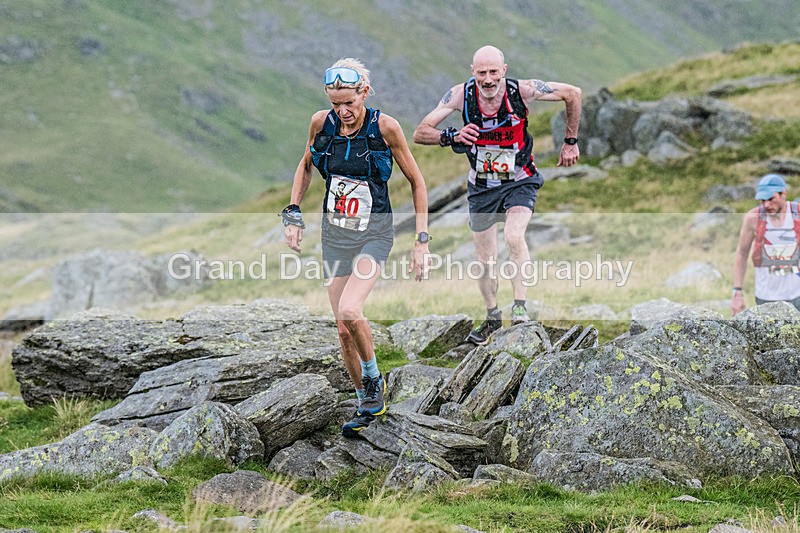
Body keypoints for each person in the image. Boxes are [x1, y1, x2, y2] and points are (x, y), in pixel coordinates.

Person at [282, 58, 430, 437]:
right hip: (335, 235)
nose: (343, 112)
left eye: (349, 102)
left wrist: (421, 242)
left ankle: (374, 381)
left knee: (351, 308)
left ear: (364, 92)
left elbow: (417, 182)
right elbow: (305, 166)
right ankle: (365, 403)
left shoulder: (386, 127)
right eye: (336, 104)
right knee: (343, 331)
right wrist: (293, 212)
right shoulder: (321, 124)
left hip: (375, 233)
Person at [413, 45, 582, 345]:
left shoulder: (522, 91)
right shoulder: (459, 96)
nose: (488, 79)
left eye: (493, 72)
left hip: (519, 179)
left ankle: (519, 307)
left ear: (504, 70)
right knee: (485, 259)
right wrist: (450, 136)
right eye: (481, 73)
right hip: (481, 186)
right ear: (472, 72)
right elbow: (420, 131)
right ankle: (492, 317)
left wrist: (570, 141)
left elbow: (573, 93)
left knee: (514, 237)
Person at [732, 173, 800, 315]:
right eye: (763, 200)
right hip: (766, 297)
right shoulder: (753, 218)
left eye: (771, 199)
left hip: (796, 295)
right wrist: (737, 293)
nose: (766, 205)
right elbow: (741, 254)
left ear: (783, 194)